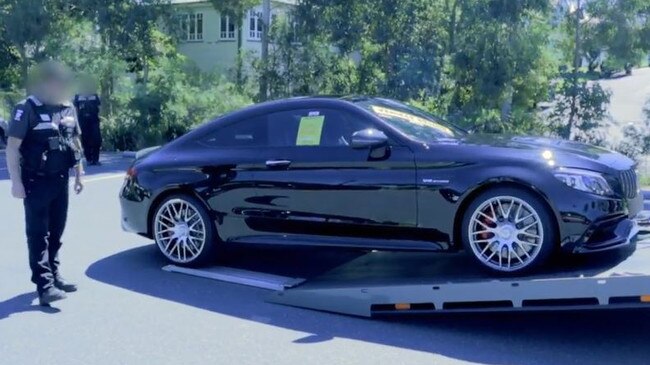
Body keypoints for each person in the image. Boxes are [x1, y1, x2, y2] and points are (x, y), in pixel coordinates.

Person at [5, 61, 84, 306]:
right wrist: (15, 183)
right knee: (38, 234)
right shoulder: (26, 108)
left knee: (56, 231)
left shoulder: (68, 107)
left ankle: (54, 274)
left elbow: (75, 141)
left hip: (60, 179)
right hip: (35, 181)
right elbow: (12, 148)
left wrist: (80, 173)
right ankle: (44, 285)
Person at [73, 80, 101, 165]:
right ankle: (89, 159)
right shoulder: (77, 97)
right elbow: (75, 109)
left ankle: (96, 159)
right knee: (86, 140)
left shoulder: (94, 96)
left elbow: (99, 107)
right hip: (83, 121)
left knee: (97, 140)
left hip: (94, 121)